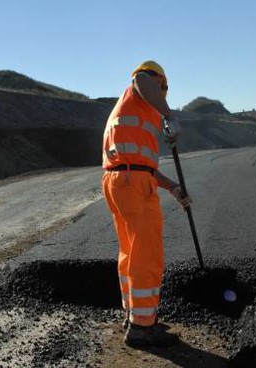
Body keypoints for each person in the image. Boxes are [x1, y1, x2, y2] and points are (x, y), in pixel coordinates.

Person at [101, 60, 190, 347]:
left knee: (131, 252)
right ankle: (141, 328)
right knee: (147, 254)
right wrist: (169, 115)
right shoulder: (141, 85)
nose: (163, 96)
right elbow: (141, 77)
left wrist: (173, 188)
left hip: (123, 180)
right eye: (163, 89)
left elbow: (144, 167)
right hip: (130, 183)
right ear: (160, 83)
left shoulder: (136, 112)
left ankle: (135, 315)